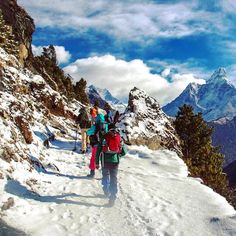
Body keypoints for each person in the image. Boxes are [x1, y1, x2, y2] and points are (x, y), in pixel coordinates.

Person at [95, 124, 127, 206]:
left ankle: (106, 191)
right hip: (115, 162)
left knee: (105, 176)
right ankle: (112, 198)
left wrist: (97, 162)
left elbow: (98, 150)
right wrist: (117, 155)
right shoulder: (119, 137)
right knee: (113, 179)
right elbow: (124, 152)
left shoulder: (104, 137)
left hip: (104, 161)